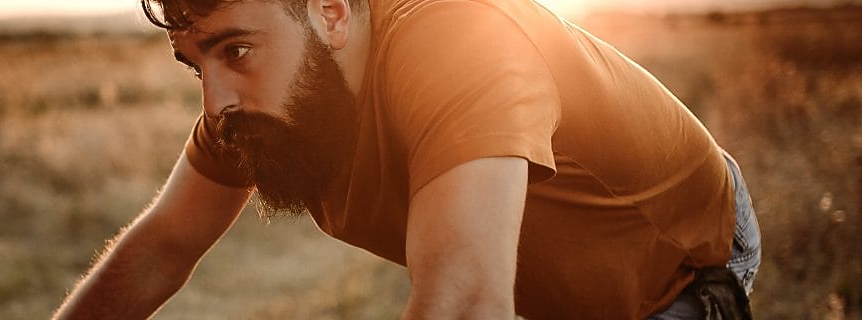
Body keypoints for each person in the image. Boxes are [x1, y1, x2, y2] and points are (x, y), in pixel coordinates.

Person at [52, 0, 762, 318]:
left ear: (331, 12)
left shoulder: (456, 45)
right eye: (195, 65)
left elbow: (462, 307)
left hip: (677, 255)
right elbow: (158, 252)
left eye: (235, 50)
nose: (213, 107)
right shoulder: (256, 107)